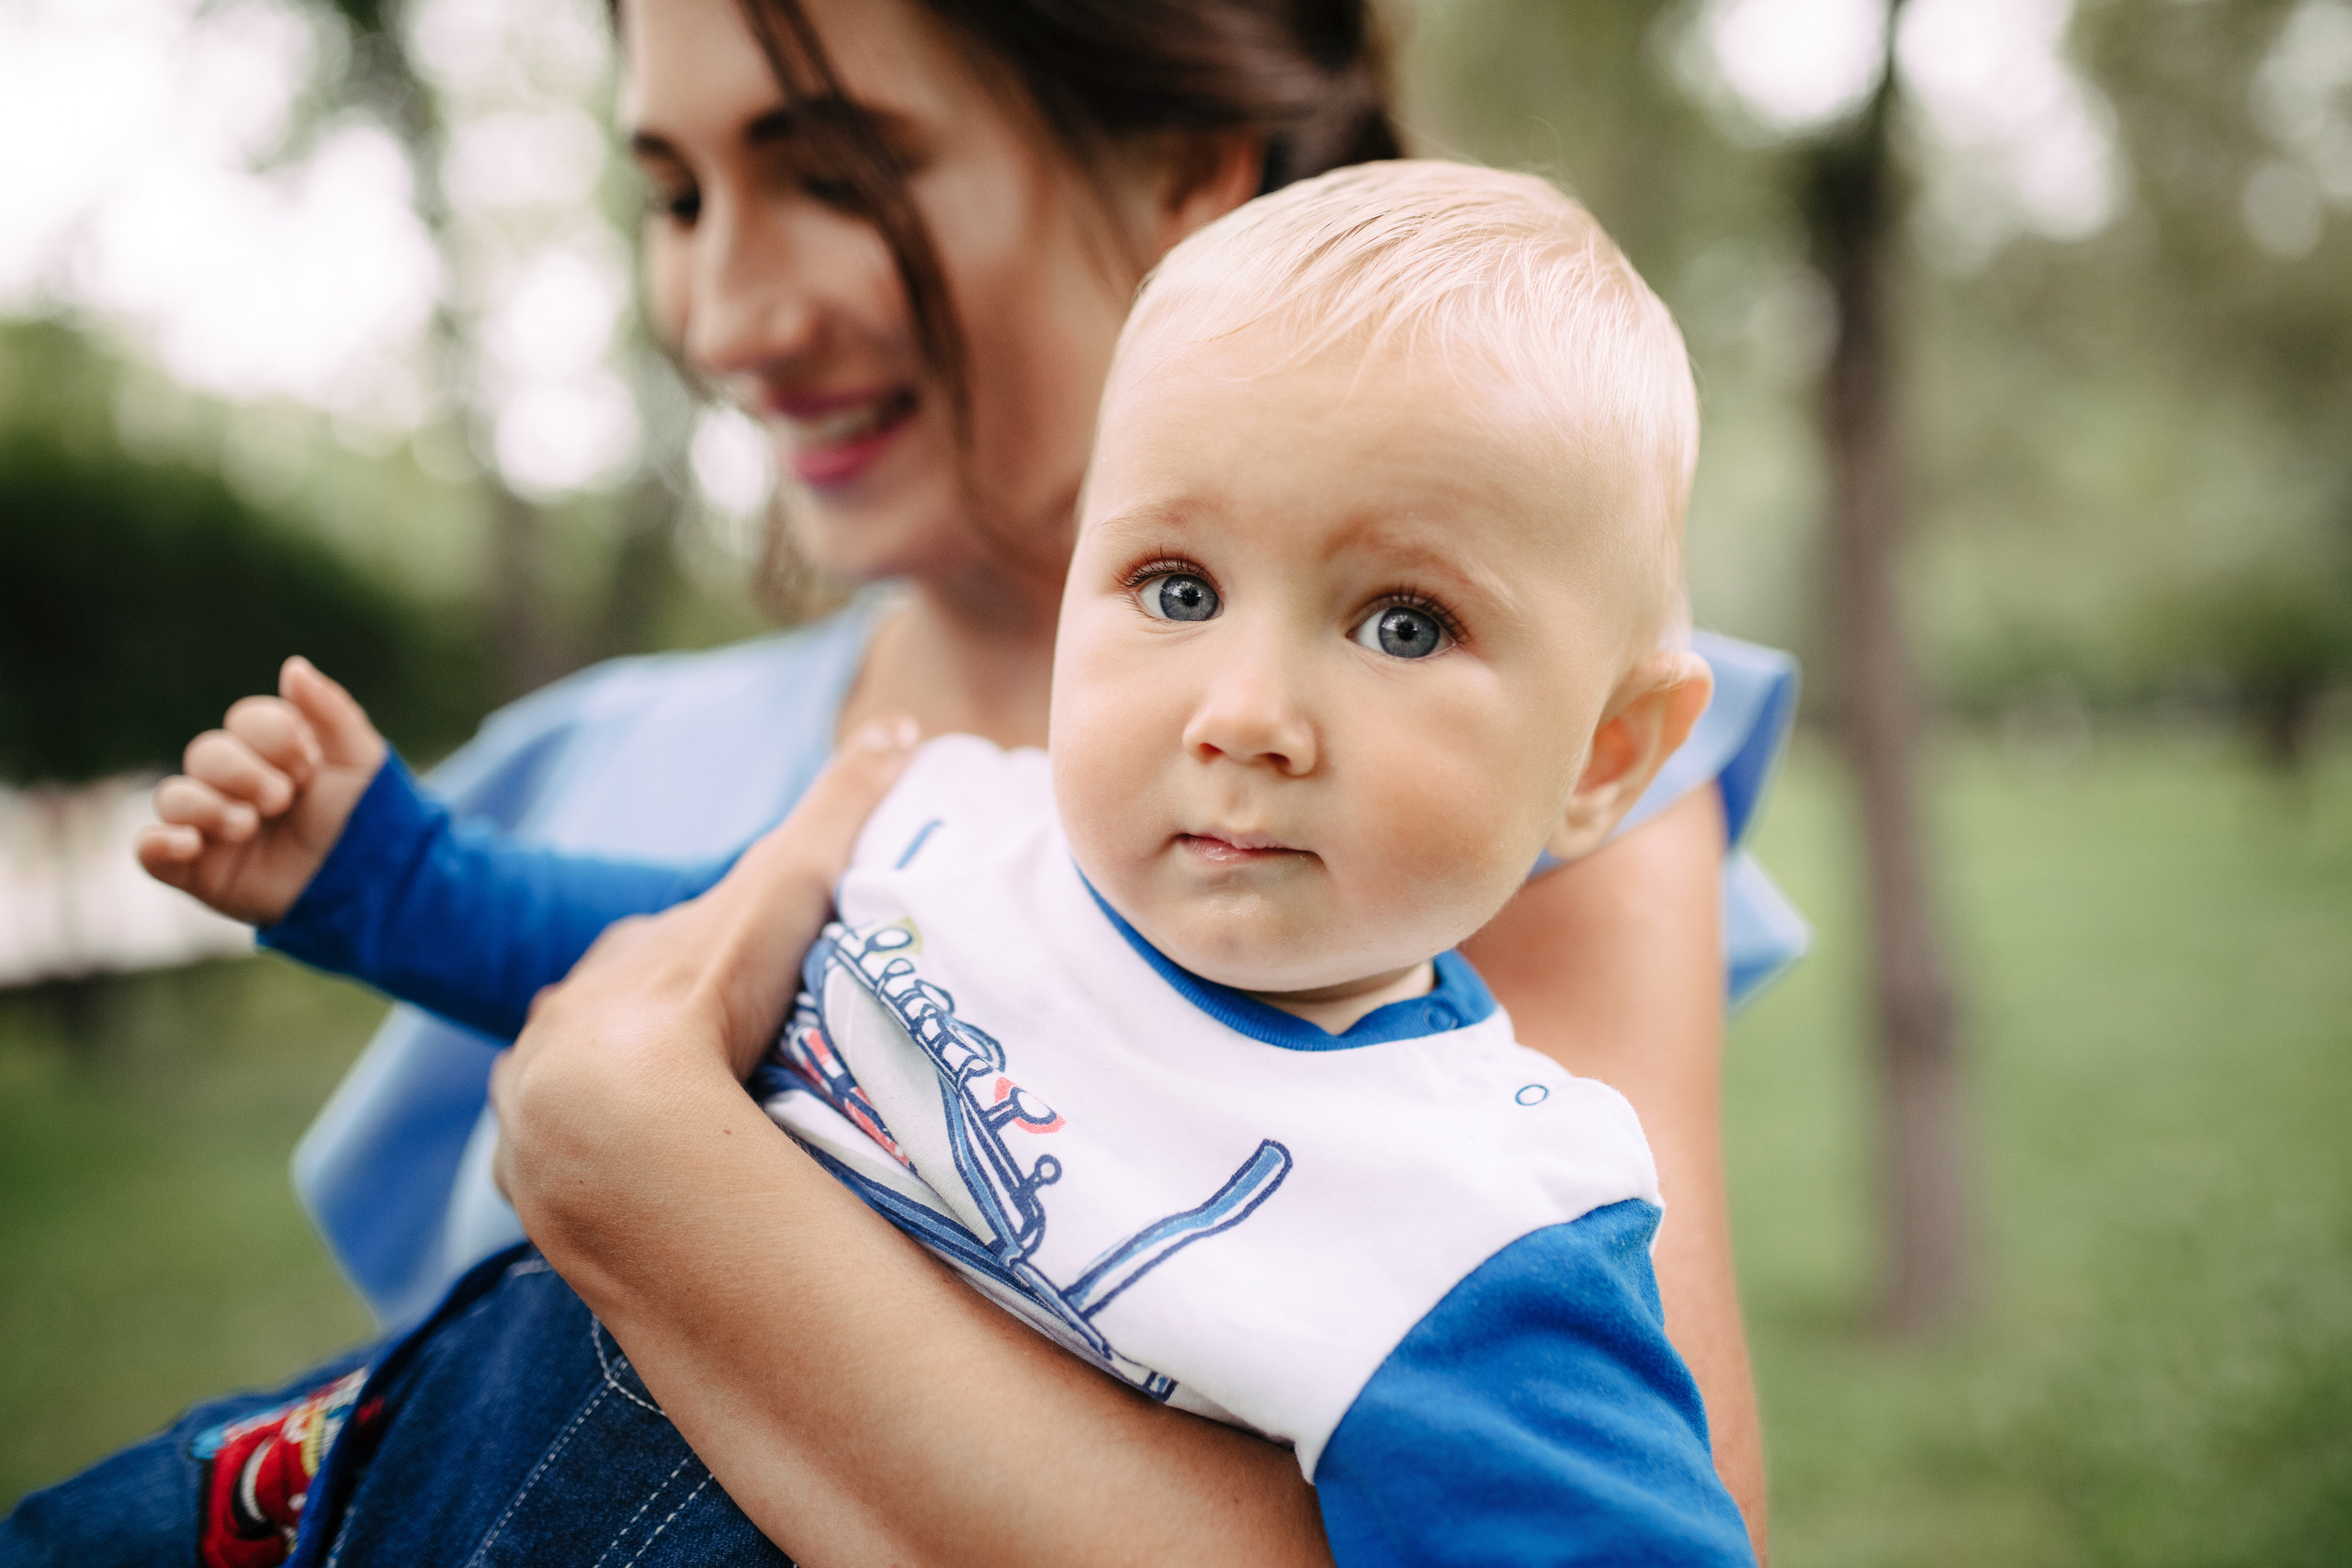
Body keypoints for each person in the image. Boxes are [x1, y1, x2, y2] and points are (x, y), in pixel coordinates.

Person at [5, 0, 1797, 1561]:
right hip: (318, 1481)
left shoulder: (1473, 1177)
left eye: (839, 167)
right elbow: (644, 925)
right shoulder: (951, 805)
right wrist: (385, 875)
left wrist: (659, 1175)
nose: (722, 308)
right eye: (674, 193)